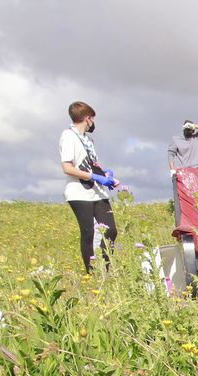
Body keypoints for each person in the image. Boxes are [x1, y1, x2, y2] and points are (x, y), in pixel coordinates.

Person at [58, 100, 118, 272]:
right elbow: (67, 168)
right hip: (78, 192)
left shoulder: (88, 140)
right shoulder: (68, 136)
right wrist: (93, 176)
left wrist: (105, 175)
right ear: (87, 118)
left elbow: (91, 164)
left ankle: (106, 269)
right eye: (92, 118)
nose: (93, 122)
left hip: (97, 191)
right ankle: (91, 273)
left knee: (111, 230)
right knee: (88, 232)